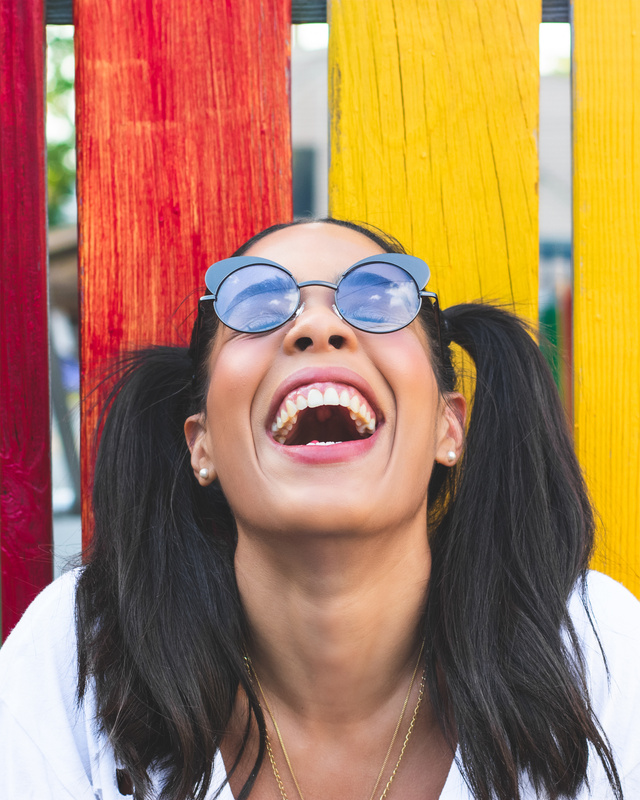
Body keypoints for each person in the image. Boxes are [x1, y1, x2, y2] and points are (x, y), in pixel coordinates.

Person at [1, 218, 639, 800]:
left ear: (450, 429)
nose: (316, 326)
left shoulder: (595, 651)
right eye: (254, 305)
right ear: (203, 446)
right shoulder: (80, 656)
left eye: (378, 297)